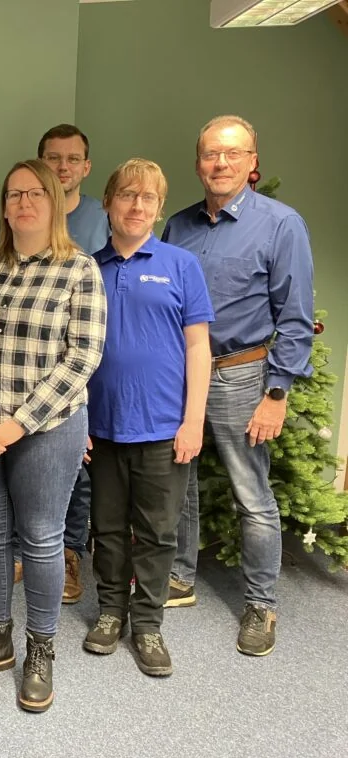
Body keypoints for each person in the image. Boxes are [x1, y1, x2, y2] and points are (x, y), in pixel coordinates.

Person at [0, 160, 106, 712]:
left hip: (47, 429)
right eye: (14, 194)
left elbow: (82, 358)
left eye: (35, 193)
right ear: (4, 207)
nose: (24, 202)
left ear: (54, 202)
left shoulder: (79, 270)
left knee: (40, 537)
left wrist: (17, 424)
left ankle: (40, 650)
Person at [162, 115, 314, 657]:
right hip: (182, 375)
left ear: (253, 162)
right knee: (179, 481)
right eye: (210, 154)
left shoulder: (281, 224)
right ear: (197, 163)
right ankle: (179, 576)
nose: (220, 163)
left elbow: (295, 318)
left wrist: (277, 393)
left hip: (242, 375)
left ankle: (260, 603)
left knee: (252, 494)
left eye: (232, 154)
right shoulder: (177, 226)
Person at [83, 159, 213, 677]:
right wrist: (77, 423)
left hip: (164, 427)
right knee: (108, 528)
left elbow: (198, 348)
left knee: (159, 534)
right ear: (109, 202)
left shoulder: (181, 266)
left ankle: (148, 625)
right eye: (127, 195)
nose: (137, 206)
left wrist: (193, 421)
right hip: (102, 427)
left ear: (159, 208)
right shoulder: (87, 269)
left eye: (148, 198)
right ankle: (110, 612)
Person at [0, 124, 108, 600]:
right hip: (23, 374)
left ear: (86, 167)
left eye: (72, 158)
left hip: (83, 361)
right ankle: (26, 552)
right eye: (53, 158)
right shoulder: (13, 222)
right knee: (23, 471)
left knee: (76, 468)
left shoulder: (101, 219)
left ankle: (70, 552)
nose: (62, 166)